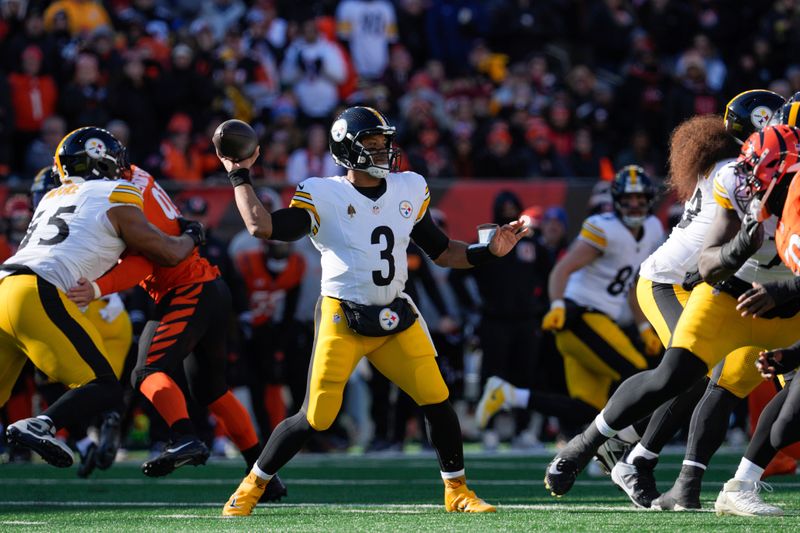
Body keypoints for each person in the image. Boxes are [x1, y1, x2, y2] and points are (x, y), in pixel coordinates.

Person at [219, 106, 527, 516]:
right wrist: (239, 174)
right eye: (372, 144)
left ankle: (457, 491)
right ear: (347, 149)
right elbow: (263, 227)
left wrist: (488, 252)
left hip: (395, 314)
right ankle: (252, 486)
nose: (383, 151)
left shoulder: (409, 187)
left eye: (385, 143)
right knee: (317, 416)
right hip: (342, 316)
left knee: (437, 398)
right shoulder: (323, 193)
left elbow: (442, 252)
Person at [542, 124, 800, 502]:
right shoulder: (732, 176)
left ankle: (665, 465)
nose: (753, 176)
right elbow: (709, 261)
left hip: (767, 296)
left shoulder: (762, 179)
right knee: (689, 373)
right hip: (691, 283)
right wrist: (740, 247)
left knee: (731, 382)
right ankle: (600, 446)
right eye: (750, 163)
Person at [65, 160, 285, 500]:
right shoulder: (136, 177)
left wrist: (96, 287)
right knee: (211, 390)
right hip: (208, 286)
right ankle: (263, 473)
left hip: (187, 288)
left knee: (147, 370)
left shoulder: (121, 199)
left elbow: (150, 259)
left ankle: (184, 436)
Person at [2, 126, 199, 467]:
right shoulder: (117, 193)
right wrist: (192, 236)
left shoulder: (52, 197)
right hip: (37, 290)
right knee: (104, 385)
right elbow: (166, 252)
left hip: (5, 285)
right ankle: (40, 425)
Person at [477, 166, 664, 444]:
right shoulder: (605, 228)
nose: (634, 205)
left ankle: (508, 394)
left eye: (640, 199)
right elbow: (561, 271)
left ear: (649, 199)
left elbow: (633, 285)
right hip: (578, 318)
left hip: (599, 321)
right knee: (637, 374)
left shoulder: (652, 229)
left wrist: (642, 326)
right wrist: (557, 306)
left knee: (587, 407)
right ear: (616, 200)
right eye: (628, 198)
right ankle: (621, 446)